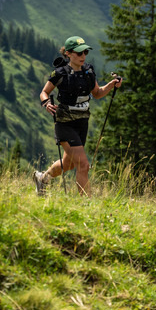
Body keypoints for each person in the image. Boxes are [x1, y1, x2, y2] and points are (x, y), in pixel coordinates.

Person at [32, 36, 121, 196]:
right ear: (68, 53)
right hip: (65, 124)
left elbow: (97, 93)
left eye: (85, 52)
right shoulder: (60, 73)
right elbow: (44, 92)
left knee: (69, 164)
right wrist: (46, 103)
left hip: (82, 123)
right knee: (83, 165)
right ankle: (85, 204)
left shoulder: (89, 71)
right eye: (79, 53)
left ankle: (42, 178)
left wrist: (111, 84)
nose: (83, 56)